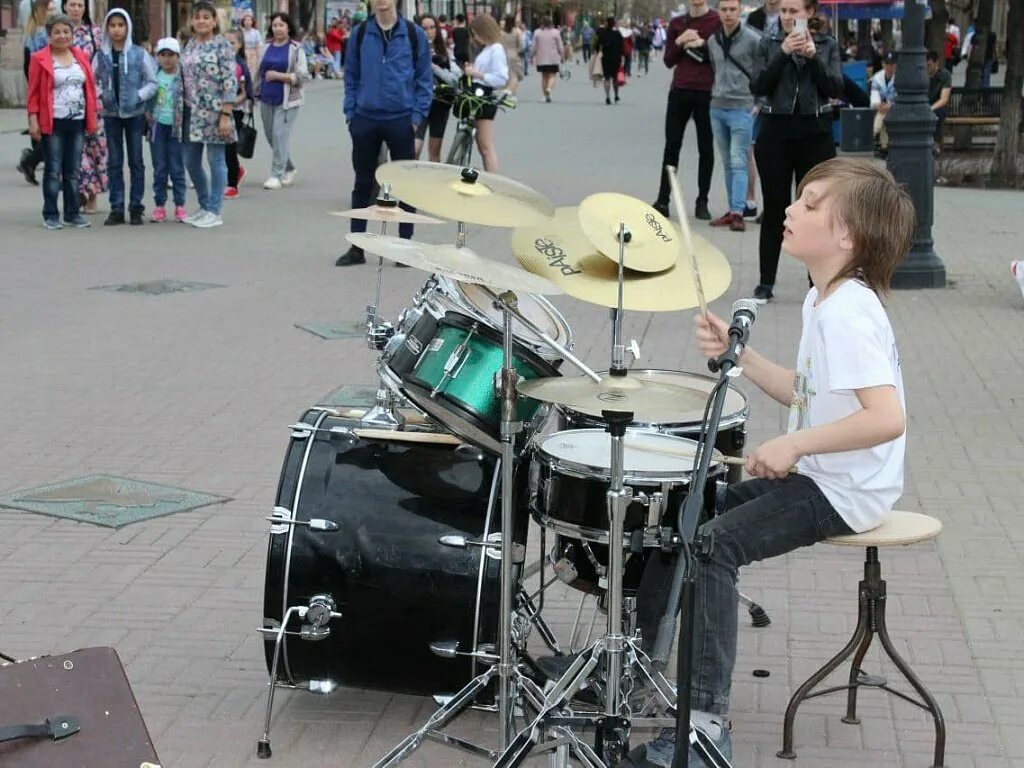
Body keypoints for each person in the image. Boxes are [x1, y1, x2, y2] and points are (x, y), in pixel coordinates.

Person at [626, 157, 915, 768]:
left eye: (810, 204)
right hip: (827, 475)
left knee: (711, 547)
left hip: (845, 490)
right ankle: (639, 669)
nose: (788, 209)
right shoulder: (825, 298)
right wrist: (742, 357)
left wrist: (795, 445)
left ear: (847, 235)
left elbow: (886, 418)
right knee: (686, 517)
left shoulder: (849, 313)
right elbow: (808, 393)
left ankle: (703, 725)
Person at [749, 0, 842, 303]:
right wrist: (783, 53)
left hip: (815, 133)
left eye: (795, 12)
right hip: (775, 132)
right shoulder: (768, 43)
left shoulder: (827, 44)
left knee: (816, 209)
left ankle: (816, 282)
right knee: (776, 207)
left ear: (809, 14)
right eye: (784, 12)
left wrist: (813, 58)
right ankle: (765, 282)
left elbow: (834, 88)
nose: (788, 17)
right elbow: (759, 85)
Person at [337, 0, 431, 267]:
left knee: (405, 186)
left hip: (401, 118)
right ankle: (357, 246)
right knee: (363, 184)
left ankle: (405, 248)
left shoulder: (413, 34)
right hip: (365, 118)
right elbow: (351, 75)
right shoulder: (360, 34)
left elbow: (425, 79)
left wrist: (415, 119)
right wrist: (351, 114)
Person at [27, 13, 98, 229]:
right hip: (53, 122)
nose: (62, 35)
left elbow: (90, 90)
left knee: (73, 170)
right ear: (49, 35)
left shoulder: (81, 57)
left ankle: (72, 213)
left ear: (72, 34)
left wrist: (92, 119)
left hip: (77, 121)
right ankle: (50, 214)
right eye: (56, 32)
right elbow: (33, 94)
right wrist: (33, 120)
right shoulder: (39, 58)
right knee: (53, 169)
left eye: (66, 31)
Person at [652, 0, 721, 221]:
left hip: (707, 92)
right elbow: (668, 61)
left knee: (706, 148)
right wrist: (680, 42)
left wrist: (703, 44)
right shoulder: (676, 23)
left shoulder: (717, 21)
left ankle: (703, 200)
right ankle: (663, 199)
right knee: (671, 147)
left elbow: (722, 58)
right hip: (679, 91)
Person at [93, 8, 157, 227]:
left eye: (121, 25)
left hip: (134, 115)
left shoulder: (139, 54)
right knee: (114, 162)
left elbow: (152, 82)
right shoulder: (101, 55)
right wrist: (101, 95)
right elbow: (92, 82)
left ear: (127, 27)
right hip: (111, 115)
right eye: (113, 25)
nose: (117, 30)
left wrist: (138, 95)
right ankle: (116, 208)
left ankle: (136, 207)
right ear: (107, 28)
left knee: (136, 162)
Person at [180, 0, 237, 228]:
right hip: (190, 112)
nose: (201, 21)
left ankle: (214, 210)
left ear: (214, 21)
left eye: (206, 17)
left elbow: (230, 80)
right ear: (191, 21)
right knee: (191, 161)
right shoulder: (189, 45)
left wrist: (226, 113)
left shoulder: (222, 45)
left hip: (215, 111)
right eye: (197, 17)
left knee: (216, 160)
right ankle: (204, 205)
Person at [706, 0, 760, 232]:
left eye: (732, 10)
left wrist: (759, 103)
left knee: (739, 160)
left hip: (742, 108)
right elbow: (714, 69)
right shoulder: (712, 41)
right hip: (717, 107)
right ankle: (732, 208)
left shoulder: (753, 40)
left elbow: (765, 70)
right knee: (728, 162)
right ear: (718, 12)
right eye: (724, 9)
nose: (728, 14)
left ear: (739, 11)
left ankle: (738, 212)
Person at [62, 0, 106, 215]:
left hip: (92, 95)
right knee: (70, 146)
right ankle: (76, 191)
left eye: (80, 4)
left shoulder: (94, 32)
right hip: (65, 97)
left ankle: (92, 195)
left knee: (94, 145)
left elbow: (103, 61)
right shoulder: (57, 31)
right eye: (72, 4)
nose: (76, 9)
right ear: (64, 7)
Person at [256, 13, 308, 190]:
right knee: (271, 137)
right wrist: (254, 92)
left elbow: (302, 76)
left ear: (288, 28)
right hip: (266, 97)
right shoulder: (264, 47)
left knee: (279, 136)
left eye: (282, 25)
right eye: (275, 25)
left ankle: (275, 175)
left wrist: (279, 76)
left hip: (287, 99)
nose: (278, 28)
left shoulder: (296, 49)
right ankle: (289, 168)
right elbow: (259, 72)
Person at [147, 37, 187, 222]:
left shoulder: (183, 77)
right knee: (160, 166)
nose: (167, 59)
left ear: (178, 56)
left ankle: (180, 205)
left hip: (176, 128)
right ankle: (159, 205)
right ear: (157, 57)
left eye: (171, 55)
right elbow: (146, 96)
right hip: (157, 127)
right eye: (162, 55)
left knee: (177, 167)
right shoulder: (153, 75)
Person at [461, 14, 508, 172]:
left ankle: (494, 181)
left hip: (485, 96)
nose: (474, 37)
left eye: (474, 33)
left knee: (486, 146)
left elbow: (501, 78)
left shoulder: (496, 49)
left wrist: (477, 74)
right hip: (478, 94)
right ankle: (491, 177)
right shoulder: (489, 49)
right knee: (483, 145)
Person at [17, 0, 52, 186]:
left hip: (40, 81)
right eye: (50, 8)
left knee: (48, 130)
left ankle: (31, 159)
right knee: (51, 132)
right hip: (42, 82)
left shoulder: (34, 31)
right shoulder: (39, 34)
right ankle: (30, 160)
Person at [415, 14, 458, 162]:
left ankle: (432, 184)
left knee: (434, 153)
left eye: (432, 27)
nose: (429, 31)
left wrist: (434, 67)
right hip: (419, 103)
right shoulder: (412, 51)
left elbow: (454, 79)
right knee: (414, 149)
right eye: (424, 28)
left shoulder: (446, 52)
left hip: (441, 104)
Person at [223, 29, 253, 199]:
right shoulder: (219, 62)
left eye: (232, 43)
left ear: (240, 45)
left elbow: (245, 92)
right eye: (225, 43)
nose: (228, 47)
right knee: (222, 148)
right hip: (219, 109)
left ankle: (232, 184)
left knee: (229, 147)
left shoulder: (239, 65)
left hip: (236, 111)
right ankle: (236, 171)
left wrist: (234, 101)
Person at [870, 50, 897, 157]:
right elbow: (874, 97)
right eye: (887, 64)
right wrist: (880, 105)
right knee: (883, 113)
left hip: (896, 109)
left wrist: (889, 106)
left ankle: (874, 135)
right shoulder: (877, 77)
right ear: (883, 64)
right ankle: (884, 146)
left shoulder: (900, 77)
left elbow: (899, 98)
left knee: (884, 115)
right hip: (880, 109)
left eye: (892, 64)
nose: (889, 67)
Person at [530, 16, 562, 103]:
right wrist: (562, 55)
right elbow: (560, 46)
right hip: (553, 58)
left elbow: (533, 46)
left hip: (541, 58)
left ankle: (544, 96)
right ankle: (549, 89)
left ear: (542, 22)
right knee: (552, 76)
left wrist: (531, 56)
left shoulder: (537, 32)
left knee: (544, 77)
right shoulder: (556, 32)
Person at [595, 16, 624, 105]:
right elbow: (622, 47)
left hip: (606, 58)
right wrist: (622, 58)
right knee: (615, 78)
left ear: (607, 23)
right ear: (614, 23)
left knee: (607, 78)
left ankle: (607, 96)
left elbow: (597, 46)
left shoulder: (602, 34)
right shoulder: (618, 34)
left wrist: (598, 52)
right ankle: (616, 95)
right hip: (616, 58)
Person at [926, 50, 952, 150]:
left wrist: (930, 108)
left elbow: (944, 99)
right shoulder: (921, 75)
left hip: (938, 106)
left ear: (936, 63)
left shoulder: (944, 75)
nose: (927, 68)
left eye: (929, 65)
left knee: (936, 114)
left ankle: (935, 143)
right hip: (923, 106)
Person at [240, 13, 262, 81]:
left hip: (253, 54)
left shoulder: (256, 32)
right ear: (243, 22)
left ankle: (252, 86)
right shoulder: (241, 32)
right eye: (246, 20)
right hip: (243, 54)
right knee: (243, 71)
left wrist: (259, 57)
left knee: (253, 72)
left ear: (252, 22)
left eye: (249, 20)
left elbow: (258, 45)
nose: (247, 22)